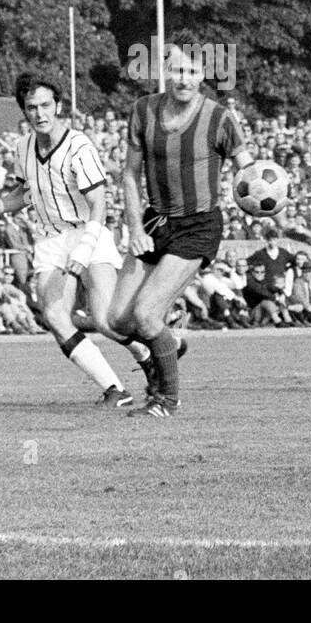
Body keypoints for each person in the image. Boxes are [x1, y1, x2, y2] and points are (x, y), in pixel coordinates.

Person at [0, 72, 147, 407]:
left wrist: (85, 249)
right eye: (32, 107)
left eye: (46, 105)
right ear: (24, 110)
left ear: (58, 106)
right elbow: (22, 195)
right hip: (50, 239)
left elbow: (99, 205)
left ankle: (149, 353)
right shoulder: (23, 147)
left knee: (106, 321)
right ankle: (115, 390)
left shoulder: (79, 146)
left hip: (87, 231)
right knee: (54, 315)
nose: (40, 113)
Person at [108, 35, 254, 417]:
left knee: (145, 315)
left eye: (192, 71)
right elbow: (128, 175)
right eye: (176, 70)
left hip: (198, 226)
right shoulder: (142, 110)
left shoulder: (220, 117)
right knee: (117, 319)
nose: (184, 78)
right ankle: (169, 344)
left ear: (203, 73)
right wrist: (135, 228)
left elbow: (249, 172)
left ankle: (166, 400)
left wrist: (278, 212)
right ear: (164, 71)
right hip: (154, 222)